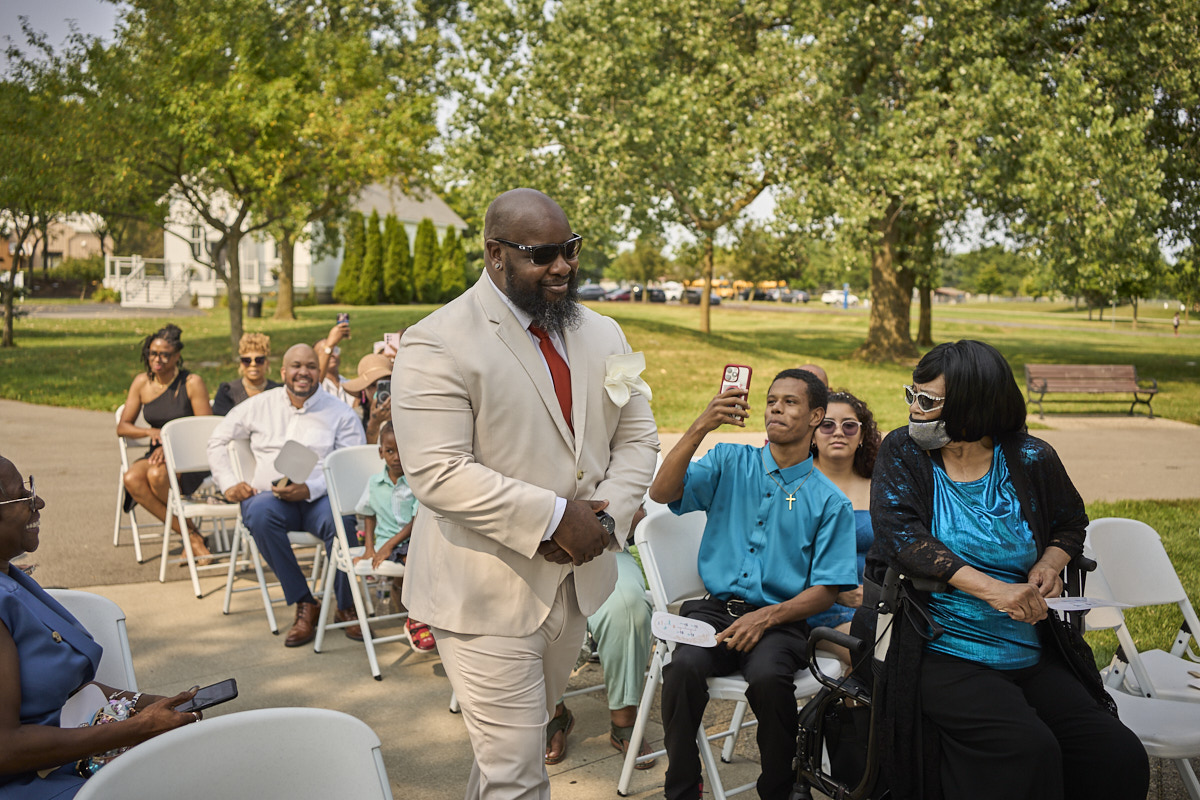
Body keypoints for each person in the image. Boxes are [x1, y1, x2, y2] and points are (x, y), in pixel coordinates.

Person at [392, 188, 659, 800]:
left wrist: (603, 523)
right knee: (518, 774)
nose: (563, 266)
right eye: (543, 255)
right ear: (496, 254)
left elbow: (638, 438)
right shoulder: (437, 341)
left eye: (571, 249)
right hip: (484, 593)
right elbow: (438, 472)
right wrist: (554, 518)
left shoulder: (605, 332)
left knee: (502, 764)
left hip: (577, 584)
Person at [865, 339, 1148, 800]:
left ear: (973, 405)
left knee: (1116, 753)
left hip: (1028, 649)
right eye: (912, 395)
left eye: (928, 401)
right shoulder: (904, 451)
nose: (914, 409)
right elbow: (903, 539)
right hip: (943, 650)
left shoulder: (1031, 457)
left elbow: (1070, 522)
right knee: (1027, 750)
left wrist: (1050, 563)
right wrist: (996, 591)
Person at [649, 369, 857, 800]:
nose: (776, 409)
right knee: (682, 669)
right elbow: (662, 492)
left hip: (780, 621)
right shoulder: (729, 460)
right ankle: (683, 789)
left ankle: (779, 790)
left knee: (768, 678)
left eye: (790, 402)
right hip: (714, 611)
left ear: (816, 416)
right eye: (771, 400)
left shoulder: (830, 501)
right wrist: (701, 426)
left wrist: (765, 618)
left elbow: (826, 591)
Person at [0, 455, 203, 798]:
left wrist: (149, 704)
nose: (39, 502)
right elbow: (5, 749)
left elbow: (71, 692)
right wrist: (137, 728)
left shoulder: (11, 577)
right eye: (22, 496)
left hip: (65, 760)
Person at [206, 344, 367, 648]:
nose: (303, 372)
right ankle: (305, 602)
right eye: (296, 366)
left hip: (321, 498)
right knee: (257, 514)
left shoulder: (340, 413)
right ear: (283, 371)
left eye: (310, 366)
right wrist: (228, 483)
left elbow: (350, 466)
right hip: (271, 499)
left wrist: (311, 488)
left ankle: (346, 605)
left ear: (319, 372)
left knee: (342, 522)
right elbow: (217, 440)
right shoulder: (258, 405)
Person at [544, 506, 655, 769]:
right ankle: (554, 713)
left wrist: (600, 522)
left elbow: (637, 514)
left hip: (605, 547)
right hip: (536, 552)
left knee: (629, 608)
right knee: (536, 612)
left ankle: (624, 718)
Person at [117, 323, 213, 563]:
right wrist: (149, 431)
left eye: (164, 355)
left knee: (158, 476)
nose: (157, 359)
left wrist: (170, 444)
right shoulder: (142, 382)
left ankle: (190, 538)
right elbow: (123, 427)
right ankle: (192, 535)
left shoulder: (191, 382)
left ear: (177, 356)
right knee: (131, 478)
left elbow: (206, 429)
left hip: (189, 454)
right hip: (157, 453)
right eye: (152, 353)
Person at [806, 391, 879, 663]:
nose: (838, 432)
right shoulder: (795, 485)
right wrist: (835, 593)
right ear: (812, 435)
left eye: (849, 426)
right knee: (874, 655)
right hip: (816, 608)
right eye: (827, 425)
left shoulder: (880, 486)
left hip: (876, 605)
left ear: (861, 436)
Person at [351, 421, 432, 653]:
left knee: (427, 558)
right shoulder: (374, 483)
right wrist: (370, 548)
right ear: (381, 453)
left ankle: (424, 613)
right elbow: (368, 514)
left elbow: (415, 521)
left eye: (401, 450)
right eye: (389, 451)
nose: (396, 457)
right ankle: (416, 618)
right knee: (413, 561)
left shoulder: (416, 482)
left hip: (411, 539)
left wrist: (389, 546)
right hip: (392, 543)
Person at [211, 332, 280, 416]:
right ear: (241, 363)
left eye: (259, 360)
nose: (253, 364)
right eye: (247, 360)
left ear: (267, 363)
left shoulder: (278, 391)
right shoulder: (227, 392)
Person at [343, 354, 392, 444]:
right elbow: (361, 451)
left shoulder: (405, 409)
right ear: (364, 390)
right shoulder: (355, 417)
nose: (378, 390)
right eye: (372, 385)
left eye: (384, 384)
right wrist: (374, 424)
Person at [314, 338, 357, 410]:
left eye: (334, 350)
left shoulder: (351, 385)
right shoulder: (316, 386)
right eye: (325, 351)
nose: (331, 354)